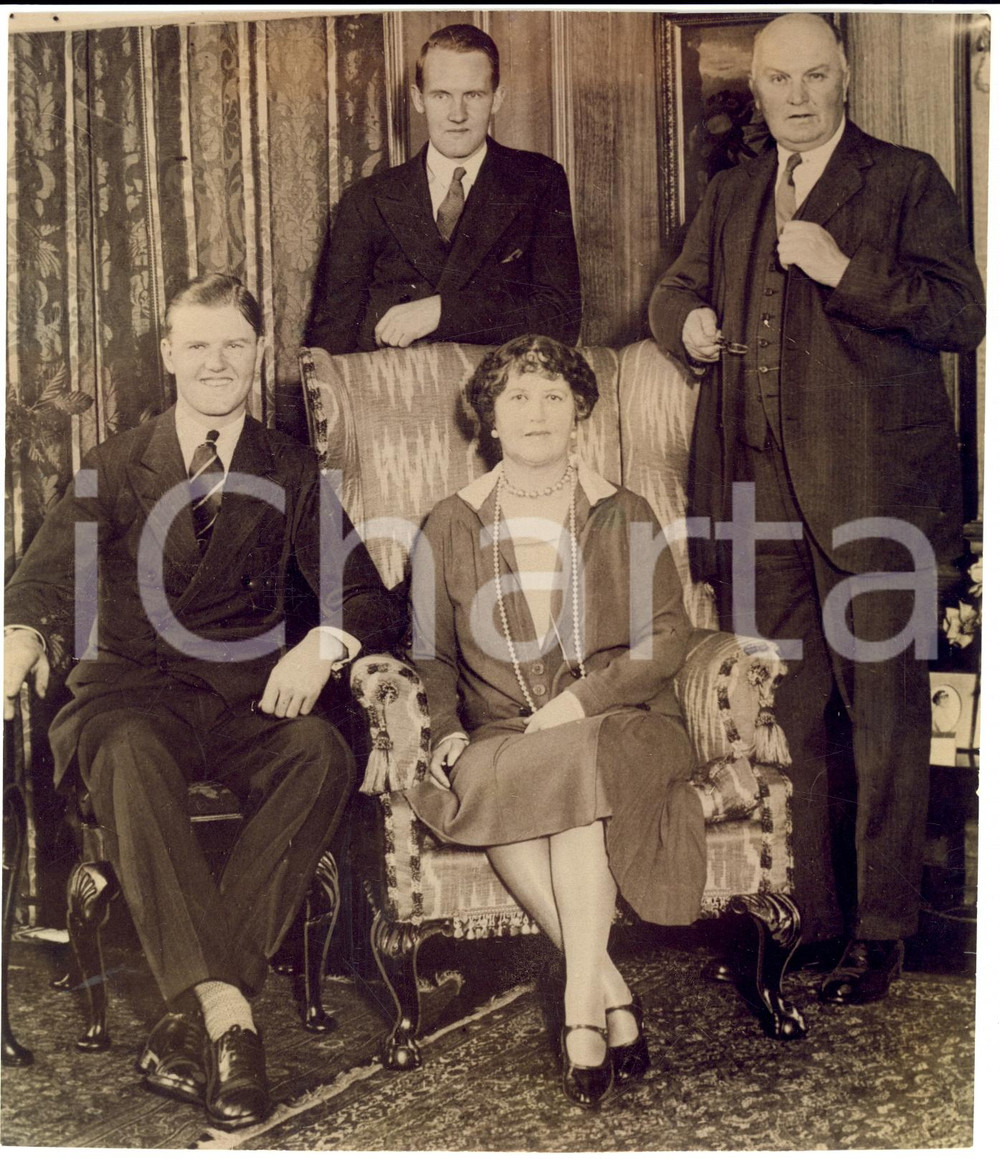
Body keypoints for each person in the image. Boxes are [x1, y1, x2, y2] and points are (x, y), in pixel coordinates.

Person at [3, 274, 400, 1130]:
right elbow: (44, 578)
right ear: (169, 354)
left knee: (322, 752)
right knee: (130, 755)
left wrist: (319, 645)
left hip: (246, 697)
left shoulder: (289, 467)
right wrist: (23, 639)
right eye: (199, 343)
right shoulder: (114, 462)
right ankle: (231, 1018)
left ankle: (186, 1016)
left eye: (234, 344)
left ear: (258, 355)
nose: (216, 361)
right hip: (132, 696)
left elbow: (366, 595)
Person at [648, 13, 985, 1004]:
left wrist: (844, 271)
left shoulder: (905, 178)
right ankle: (809, 921)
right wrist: (689, 324)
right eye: (775, 80)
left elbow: (961, 314)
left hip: (874, 496)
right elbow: (670, 292)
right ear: (753, 90)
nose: (793, 96)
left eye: (812, 77)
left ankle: (883, 934)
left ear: (844, 79)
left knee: (880, 713)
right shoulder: (732, 192)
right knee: (780, 713)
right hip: (756, 498)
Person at [405, 334, 706, 1108]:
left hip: (622, 721)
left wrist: (579, 701)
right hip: (503, 733)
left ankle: (578, 1009)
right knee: (506, 777)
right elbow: (432, 659)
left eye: (552, 395)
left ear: (579, 413)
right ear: (490, 420)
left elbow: (669, 635)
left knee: (570, 770)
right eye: (516, 396)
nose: (536, 410)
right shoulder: (448, 523)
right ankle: (607, 986)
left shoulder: (623, 511)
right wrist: (443, 729)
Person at [304, 23, 581, 355]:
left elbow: (561, 318)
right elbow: (331, 341)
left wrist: (441, 311)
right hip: (394, 397)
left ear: (497, 98)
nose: (457, 114)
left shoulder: (538, 180)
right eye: (441, 95)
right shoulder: (367, 200)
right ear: (418, 99)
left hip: (499, 395)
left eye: (473, 95)